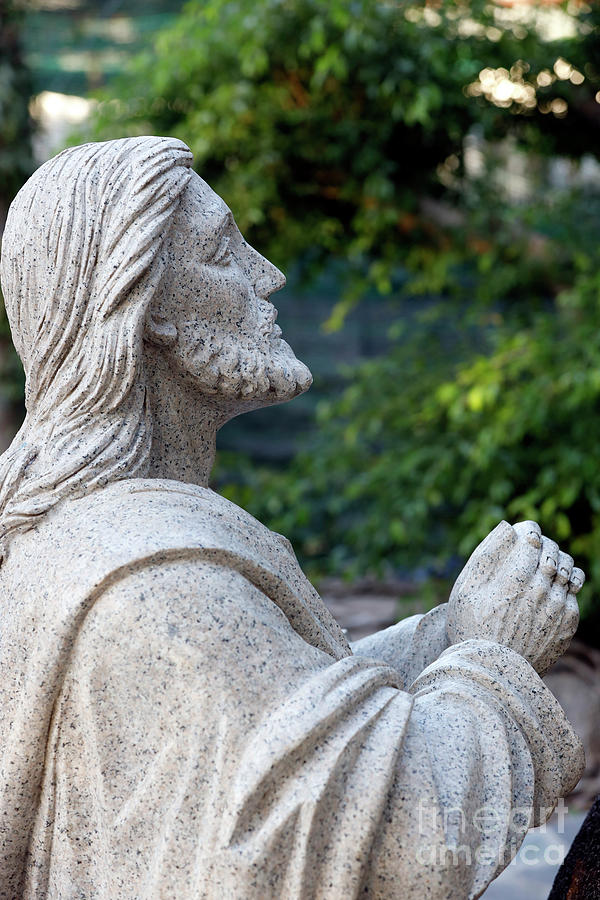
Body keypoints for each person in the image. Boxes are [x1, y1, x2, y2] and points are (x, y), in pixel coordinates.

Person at [0, 136, 585, 899]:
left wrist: (449, 633)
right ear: (143, 311)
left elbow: (281, 710)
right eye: (223, 250)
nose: (266, 274)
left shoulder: (92, 539)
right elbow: (394, 844)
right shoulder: (161, 592)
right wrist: (493, 661)